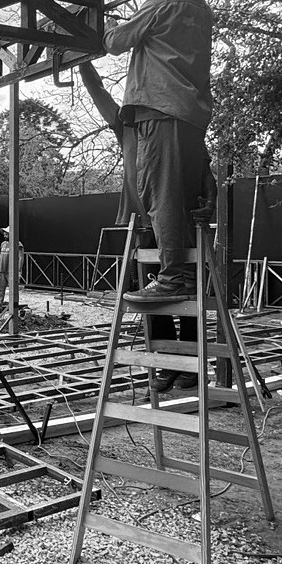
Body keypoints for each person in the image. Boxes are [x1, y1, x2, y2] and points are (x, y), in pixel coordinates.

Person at [101, 0, 219, 305]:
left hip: (161, 111)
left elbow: (115, 41)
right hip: (189, 117)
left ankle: (173, 278)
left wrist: (106, 24)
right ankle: (183, 276)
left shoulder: (162, 2)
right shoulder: (199, 9)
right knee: (180, 198)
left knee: (161, 194)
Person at [79, 60, 210, 391]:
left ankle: (191, 366)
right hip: (144, 222)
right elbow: (98, 92)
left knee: (187, 291)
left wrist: (208, 192)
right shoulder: (126, 126)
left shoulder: (174, 123)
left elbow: (201, 160)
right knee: (153, 296)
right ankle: (166, 364)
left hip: (179, 218)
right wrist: (82, 64)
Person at [0, 227, 23, 313]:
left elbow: (21, 258)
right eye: (4, 234)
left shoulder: (18, 244)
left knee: (13, 290)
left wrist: (18, 271)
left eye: (6, 233)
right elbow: (0, 256)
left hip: (12, 271)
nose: (4, 235)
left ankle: (13, 307)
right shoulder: (3, 244)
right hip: (2, 270)